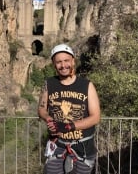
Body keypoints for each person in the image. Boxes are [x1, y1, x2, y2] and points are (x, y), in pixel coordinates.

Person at [38, 44, 101, 174]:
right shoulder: (49, 84)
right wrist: (48, 118)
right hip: (57, 145)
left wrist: (69, 127)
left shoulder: (87, 85)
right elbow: (41, 108)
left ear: (73, 61)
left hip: (82, 148)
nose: (63, 65)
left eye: (66, 61)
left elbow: (95, 117)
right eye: (59, 62)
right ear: (54, 64)